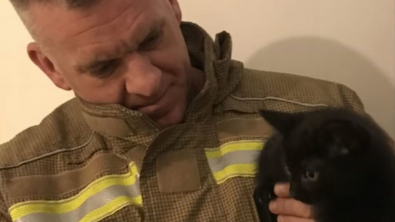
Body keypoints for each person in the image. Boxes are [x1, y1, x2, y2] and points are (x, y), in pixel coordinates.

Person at [0, 0, 365, 221]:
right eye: (103, 66)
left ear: (172, 4)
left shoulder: (324, 113)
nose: (147, 82)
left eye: (150, 39)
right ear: (50, 66)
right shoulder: (11, 187)